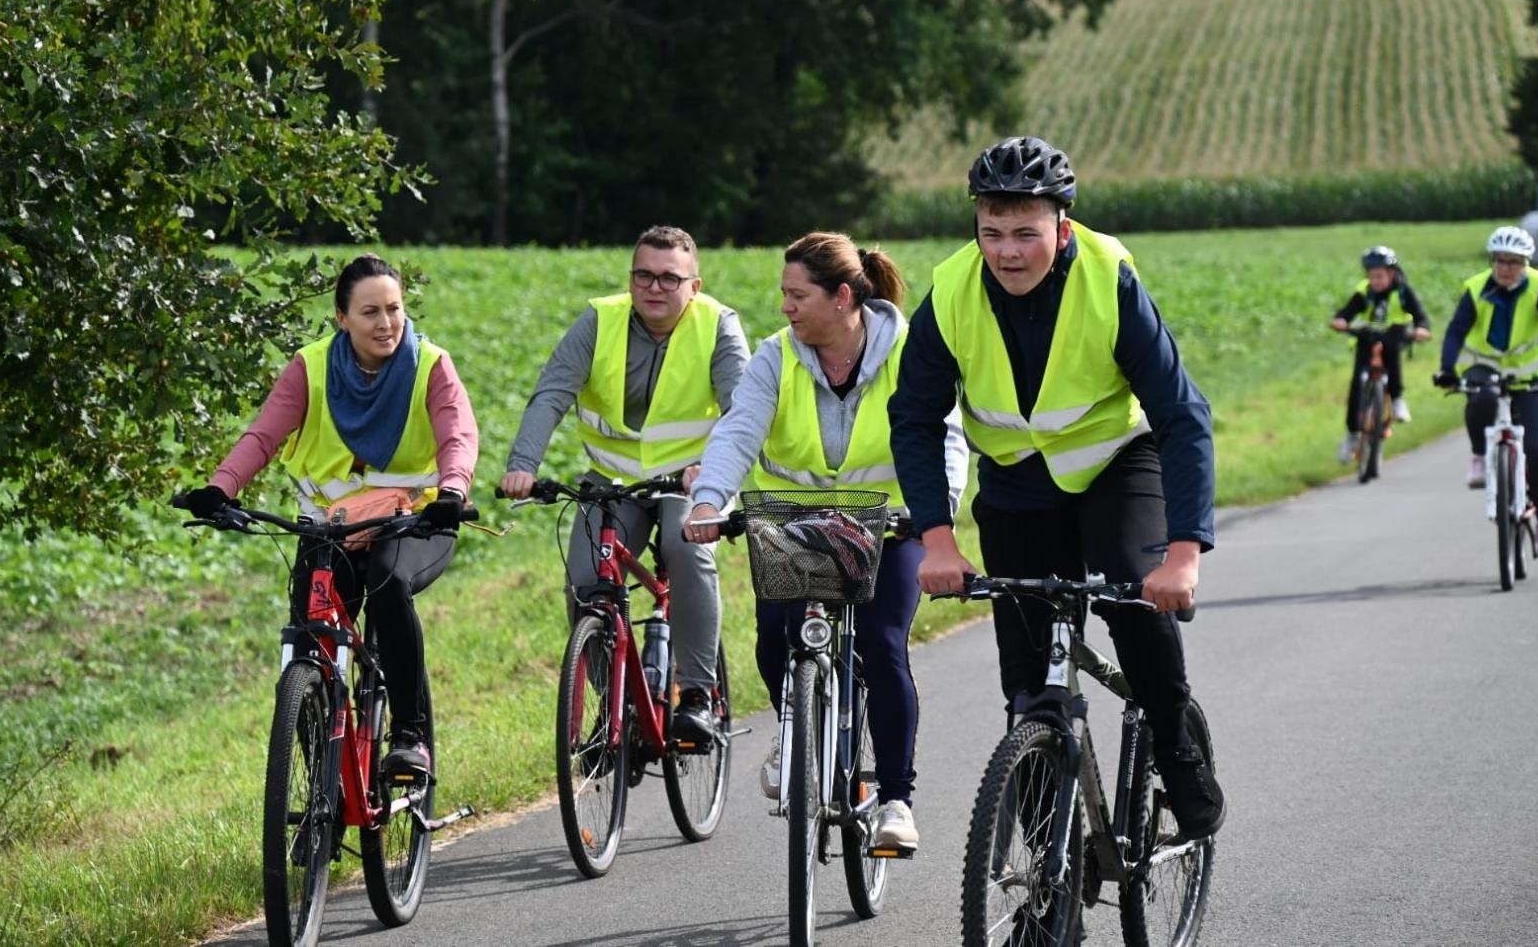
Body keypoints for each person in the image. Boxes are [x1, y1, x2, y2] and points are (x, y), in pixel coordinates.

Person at [889, 136, 1226, 845]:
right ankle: (1046, 888)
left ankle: (1175, 745)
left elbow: (1181, 413)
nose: (1008, 252)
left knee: (1131, 593)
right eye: (992, 233)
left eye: (1025, 233)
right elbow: (914, 418)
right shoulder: (950, 291)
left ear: (1061, 228)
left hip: (1116, 465)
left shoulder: (1108, 278)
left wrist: (1185, 554)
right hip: (1015, 487)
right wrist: (939, 540)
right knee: (1029, 691)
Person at [685, 232, 968, 852]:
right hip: (794, 522)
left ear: (842, 298)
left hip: (892, 525)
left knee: (882, 644)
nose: (784, 306)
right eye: (783, 294)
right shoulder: (775, 356)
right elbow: (738, 431)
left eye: (797, 294)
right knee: (775, 635)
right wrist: (710, 498)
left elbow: (944, 437)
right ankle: (796, 727)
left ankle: (895, 799)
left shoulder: (908, 355)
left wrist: (935, 514)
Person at [183, 254, 479, 778]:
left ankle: (410, 735)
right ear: (341, 317)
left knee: (388, 583)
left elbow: (457, 435)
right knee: (307, 636)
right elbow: (264, 435)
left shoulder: (430, 366)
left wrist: (453, 491)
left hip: (414, 522)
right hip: (331, 526)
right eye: (370, 312)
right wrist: (219, 487)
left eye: (394, 309)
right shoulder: (312, 367)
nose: (386, 324)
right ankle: (322, 773)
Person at [500, 225, 750, 742]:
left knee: (687, 549)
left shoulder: (719, 326)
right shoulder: (600, 320)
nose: (654, 287)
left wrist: (713, 475)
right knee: (586, 579)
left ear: (694, 286)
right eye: (643, 276)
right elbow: (550, 394)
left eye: (669, 278)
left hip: (690, 480)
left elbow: (741, 413)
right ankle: (615, 703)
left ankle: (698, 695)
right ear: (630, 278)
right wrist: (522, 465)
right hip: (614, 480)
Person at [1432, 225, 1538, 558]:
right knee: (1482, 399)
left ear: (1526, 263)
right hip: (1486, 367)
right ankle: (1479, 455)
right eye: (1501, 261)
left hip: (1531, 374)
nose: (1507, 268)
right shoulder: (1477, 288)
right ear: (1493, 261)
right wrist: (1448, 369)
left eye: (1515, 262)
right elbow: (1455, 330)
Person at [1329, 245, 1432, 463]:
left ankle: (1396, 399)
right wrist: (1341, 320)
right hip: (1368, 337)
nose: (1375, 281)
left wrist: (1421, 328)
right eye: (1371, 276)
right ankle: (1352, 434)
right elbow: (1348, 311)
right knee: (1357, 386)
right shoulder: (1364, 291)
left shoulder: (1403, 292)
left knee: (1392, 352)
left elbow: (1420, 315)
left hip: (1395, 337)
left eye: (1379, 276)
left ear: (1391, 273)